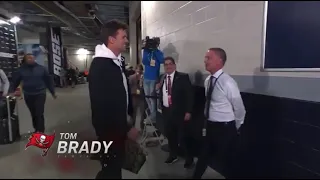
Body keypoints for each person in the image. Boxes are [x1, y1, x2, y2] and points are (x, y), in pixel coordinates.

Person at [88, 19, 139, 179]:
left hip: (116, 127)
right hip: (110, 130)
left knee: (113, 167)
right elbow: (105, 105)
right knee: (112, 169)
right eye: (123, 37)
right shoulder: (101, 66)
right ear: (111, 39)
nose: (127, 40)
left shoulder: (113, 63)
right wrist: (126, 129)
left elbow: (120, 92)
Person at [192, 48, 246, 178]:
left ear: (219, 61)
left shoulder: (228, 82)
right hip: (210, 126)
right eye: (205, 57)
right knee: (203, 155)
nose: (205, 61)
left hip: (225, 128)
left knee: (228, 161)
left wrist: (235, 126)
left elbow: (239, 108)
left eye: (208, 58)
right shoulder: (208, 81)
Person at [155, 57, 194, 167]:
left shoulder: (182, 77)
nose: (168, 66)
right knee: (170, 135)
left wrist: (188, 111)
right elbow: (162, 93)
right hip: (167, 112)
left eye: (170, 64)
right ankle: (173, 155)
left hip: (179, 112)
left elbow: (189, 95)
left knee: (183, 137)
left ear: (174, 65)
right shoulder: (162, 78)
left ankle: (189, 158)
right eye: (166, 64)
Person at [9, 53, 56, 133]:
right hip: (28, 94)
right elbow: (15, 81)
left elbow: (49, 81)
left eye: (32, 58)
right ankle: (36, 129)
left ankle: (40, 131)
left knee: (39, 112)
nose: (31, 59)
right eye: (28, 58)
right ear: (25, 60)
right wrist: (11, 91)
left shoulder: (42, 69)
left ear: (34, 59)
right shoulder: (21, 70)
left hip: (40, 93)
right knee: (33, 113)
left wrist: (53, 92)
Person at [142, 42, 164, 123]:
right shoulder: (146, 51)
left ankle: (153, 116)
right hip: (146, 78)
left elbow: (162, 60)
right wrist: (147, 51)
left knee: (152, 97)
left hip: (154, 78)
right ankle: (152, 114)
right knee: (147, 97)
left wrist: (155, 51)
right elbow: (144, 61)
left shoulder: (159, 52)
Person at [128, 64, 145, 131]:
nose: (139, 70)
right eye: (137, 69)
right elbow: (129, 86)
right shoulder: (131, 77)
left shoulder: (143, 77)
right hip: (134, 96)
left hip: (142, 97)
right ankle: (132, 128)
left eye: (140, 69)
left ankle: (142, 128)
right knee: (134, 113)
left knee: (142, 113)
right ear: (135, 70)